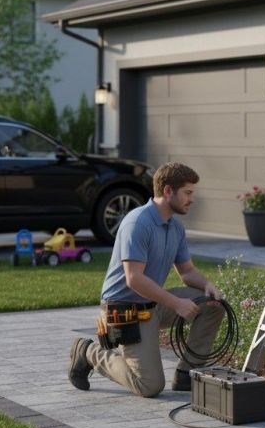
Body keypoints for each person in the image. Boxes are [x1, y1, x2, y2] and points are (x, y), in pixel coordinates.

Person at [68, 162, 224, 397]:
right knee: (149, 385)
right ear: (168, 191)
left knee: (212, 305)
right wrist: (177, 303)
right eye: (187, 193)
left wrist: (207, 285)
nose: (192, 199)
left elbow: (187, 272)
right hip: (124, 309)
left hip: (152, 303)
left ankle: (186, 374)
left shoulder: (175, 227)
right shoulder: (138, 223)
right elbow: (134, 279)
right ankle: (88, 351)